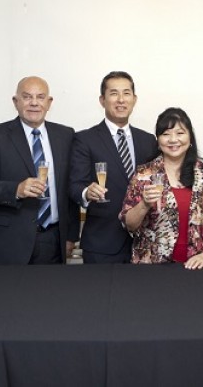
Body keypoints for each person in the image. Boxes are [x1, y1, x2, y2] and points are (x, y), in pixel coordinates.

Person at [0, 76, 79, 264]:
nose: (34, 103)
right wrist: (17, 189)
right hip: (9, 240)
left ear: (49, 102)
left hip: (53, 240)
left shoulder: (66, 135)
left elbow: (69, 188)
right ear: (16, 102)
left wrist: (70, 235)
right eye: (27, 97)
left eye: (40, 97)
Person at [119, 108, 203, 269]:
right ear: (158, 140)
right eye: (166, 134)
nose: (173, 139)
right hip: (151, 268)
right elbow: (129, 224)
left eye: (180, 133)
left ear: (190, 138)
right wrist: (144, 204)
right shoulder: (144, 175)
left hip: (198, 268)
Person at [70, 71, 157, 264]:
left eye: (126, 93)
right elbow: (75, 185)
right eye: (114, 93)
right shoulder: (85, 139)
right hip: (102, 243)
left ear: (134, 99)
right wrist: (87, 192)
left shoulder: (148, 140)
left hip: (145, 243)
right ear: (102, 100)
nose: (121, 100)